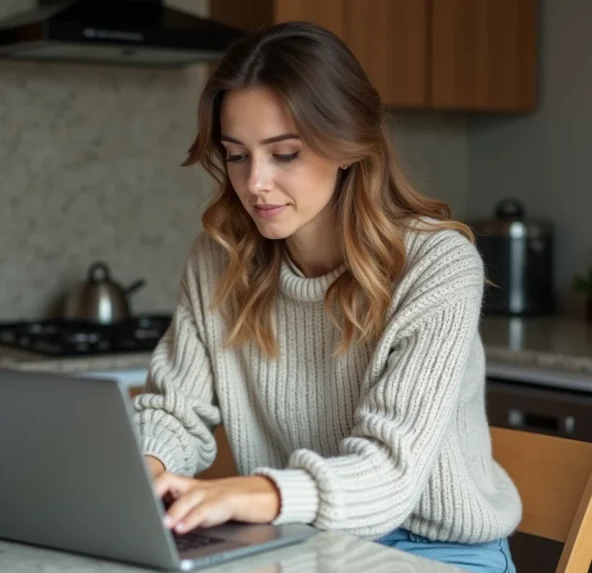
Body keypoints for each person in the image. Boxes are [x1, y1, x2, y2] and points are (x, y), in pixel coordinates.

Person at [132, 21, 522, 573]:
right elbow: (174, 411)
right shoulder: (219, 257)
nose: (254, 183)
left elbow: (390, 474)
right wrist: (145, 477)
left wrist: (255, 494)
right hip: (305, 544)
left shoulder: (436, 265)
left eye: (283, 154)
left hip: (437, 552)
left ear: (346, 145)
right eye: (237, 155)